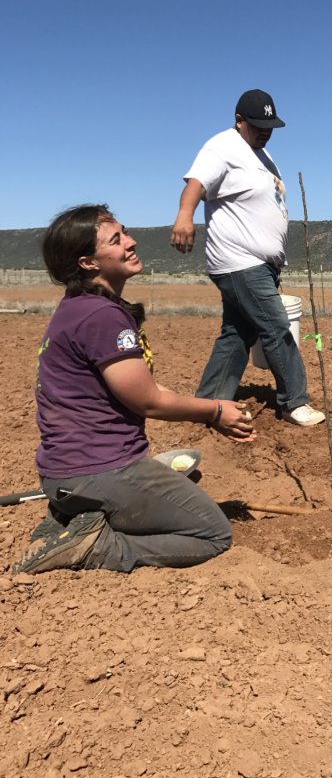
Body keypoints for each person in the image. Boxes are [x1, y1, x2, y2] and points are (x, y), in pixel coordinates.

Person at [11, 204, 254, 576]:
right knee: (213, 532)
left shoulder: (77, 308)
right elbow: (147, 400)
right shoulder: (102, 316)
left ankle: (72, 518)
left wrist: (209, 408)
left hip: (66, 473)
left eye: (124, 232)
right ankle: (100, 547)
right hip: (100, 470)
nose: (131, 241)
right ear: (88, 263)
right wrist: (215, 411)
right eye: (116, 239)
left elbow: (146, 386)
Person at [170, 88, 325, 427]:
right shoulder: (222, 147)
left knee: (237, 332)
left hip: (260, 264)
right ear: (239, 121)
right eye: (257, 125)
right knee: (275, 326)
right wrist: (185, 215)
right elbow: (195, 184)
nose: (265, 131)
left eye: (269, 125)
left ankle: (209, 402)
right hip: (238, 260)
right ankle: (294, 402)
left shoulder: (264, 157)